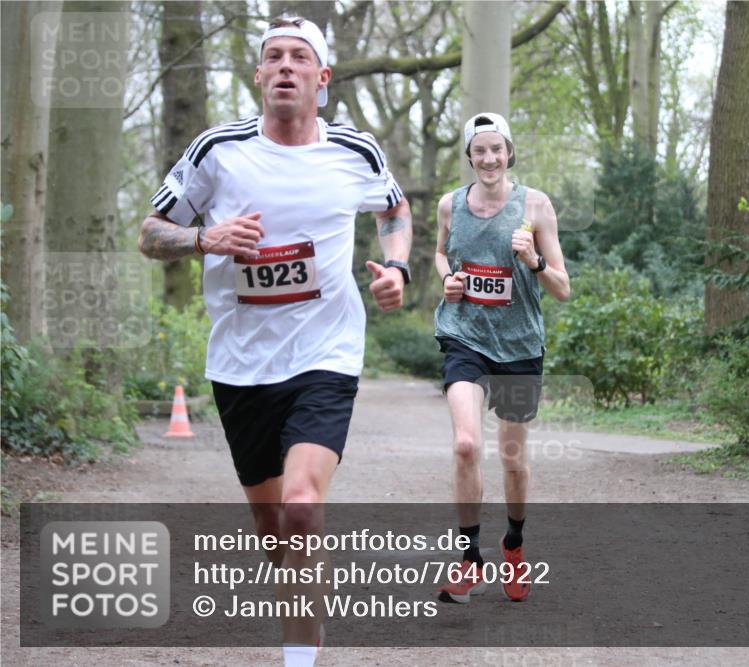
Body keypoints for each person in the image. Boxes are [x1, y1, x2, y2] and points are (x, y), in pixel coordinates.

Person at [138, 16, 411, 666]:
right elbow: (149, 233)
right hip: (240, 363)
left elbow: (394, 207)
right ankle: (302, 608)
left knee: (301, 505)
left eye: (299, 57)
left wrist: (396, 266)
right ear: (259, 75)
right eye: (273, 56)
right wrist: (205, 237)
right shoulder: (218, 151)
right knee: (274, 531)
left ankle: (299, 656)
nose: (285, 65)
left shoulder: (356, 151)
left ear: (322, 78)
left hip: (326, 354)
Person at [433, 113, 570, 604]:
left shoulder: (535, 205)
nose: (489, 158)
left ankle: (513, 544)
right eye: (480, 150)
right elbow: (440, 254)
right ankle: (470, 560)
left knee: (513, 460)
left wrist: (533, 260)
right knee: (466, 445)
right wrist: (447, 279)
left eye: (497, 149)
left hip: (518, 346)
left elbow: (562, 287)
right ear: (468, 156)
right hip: (464, 335)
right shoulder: (450, 205)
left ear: (509, 153)